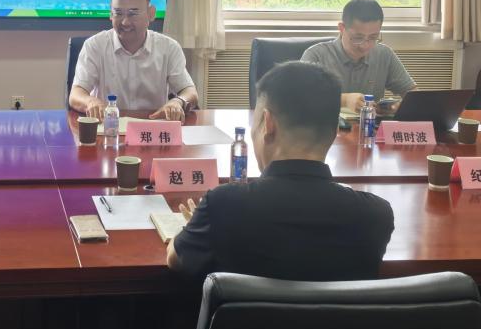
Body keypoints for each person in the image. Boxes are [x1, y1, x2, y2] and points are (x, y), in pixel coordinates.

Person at [167, 61, 394, 281]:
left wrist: (194, 225)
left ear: (268, 124)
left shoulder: (223, 205)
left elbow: (176, 260)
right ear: (335, 130)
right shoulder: (376, 215)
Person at [68, 0, 198, 121]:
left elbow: (190, 92)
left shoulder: (169, 48)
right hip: (109, 126)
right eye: (118, 13)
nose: (125, 22)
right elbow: (76, 94)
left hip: (152, 126)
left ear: (151, 14)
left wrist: (178, 102)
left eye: (133, 14)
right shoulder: (94, 46)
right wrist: (90, 102)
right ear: (110, 14)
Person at [301, 0, 416, 113]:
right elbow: (299, 97)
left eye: (373, 37)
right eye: (357, 38)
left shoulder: (384, 54)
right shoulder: (316, 56)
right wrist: (344, 100)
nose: (364, 46)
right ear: (342, 28)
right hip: (326, 123)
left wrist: (402, 106)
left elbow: (413, 94)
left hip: (370, 123)